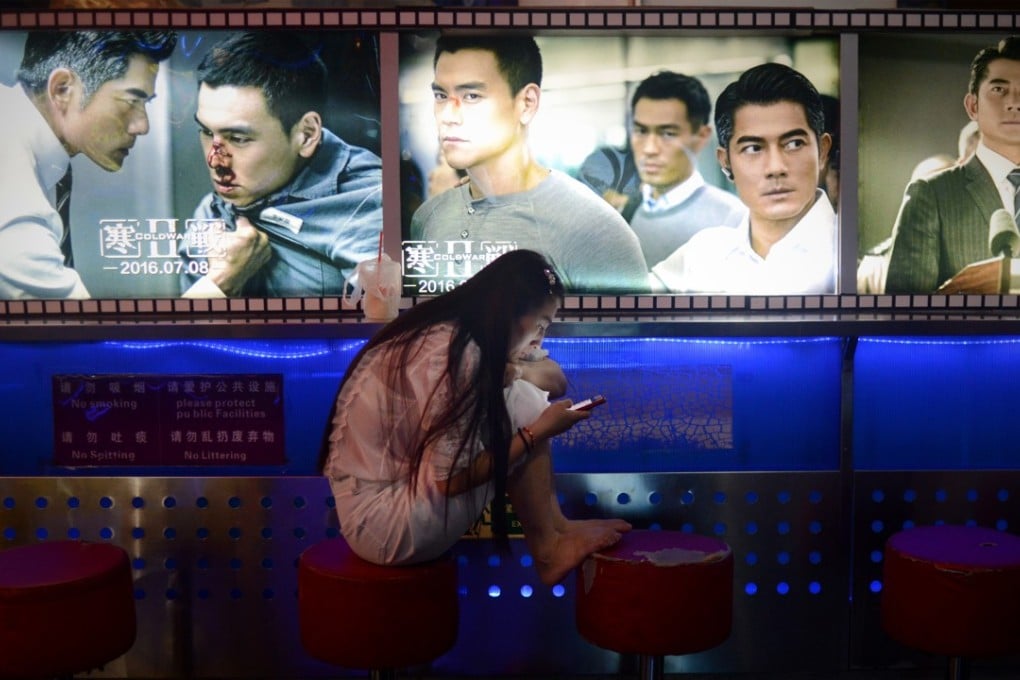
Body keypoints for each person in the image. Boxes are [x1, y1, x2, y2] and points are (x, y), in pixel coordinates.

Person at [319, 249, 630, 585]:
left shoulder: (456, 332)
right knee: (524, 402)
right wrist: (537, 431)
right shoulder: (457, 354)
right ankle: (549, 545)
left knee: (522, 395)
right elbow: (451, 481)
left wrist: (511, 370)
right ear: (511, 312)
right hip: (387, 526)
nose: (542, 337)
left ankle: (556, 528)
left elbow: (555, 379)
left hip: (379, 507)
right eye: (540, 324)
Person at [409, 35, 648, 294]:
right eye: (441, 95)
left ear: (527, 103)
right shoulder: (429, 218)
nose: (448, 116)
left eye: (471, 96)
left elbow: (633, 334)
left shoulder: (594, 230)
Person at [179, 31, 383, 298]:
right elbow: (185, 337)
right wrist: (221, 282)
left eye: (238, 138)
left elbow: (387, 333)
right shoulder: (210, 213)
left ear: (307, 135)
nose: (214, 161)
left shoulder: (370, 203)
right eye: (206, 132)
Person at [0, 30, 183, 299]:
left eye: (145, 103)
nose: (142, 126)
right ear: (62, 88)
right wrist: (219, 283)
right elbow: (77, 331)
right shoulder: (16, 194)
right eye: (131, 101)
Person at [650, 62, 836, 295]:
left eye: (793, 144)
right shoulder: (703, 254)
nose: (776, 167)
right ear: (725, 162)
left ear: (822, 151)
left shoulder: (849, 256)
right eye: (753, 148)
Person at [885, 36, 1020, 294]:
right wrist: (957, 293)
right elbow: (901, 318)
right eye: (999, 89)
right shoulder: (931, 194)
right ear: (973, 106)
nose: (1014, 102)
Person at [623, 70, 746, 269]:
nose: (649, 148)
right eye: (641, 131)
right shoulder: (623, 211)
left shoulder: (733, 218)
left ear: (702, 136)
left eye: (667, 134)